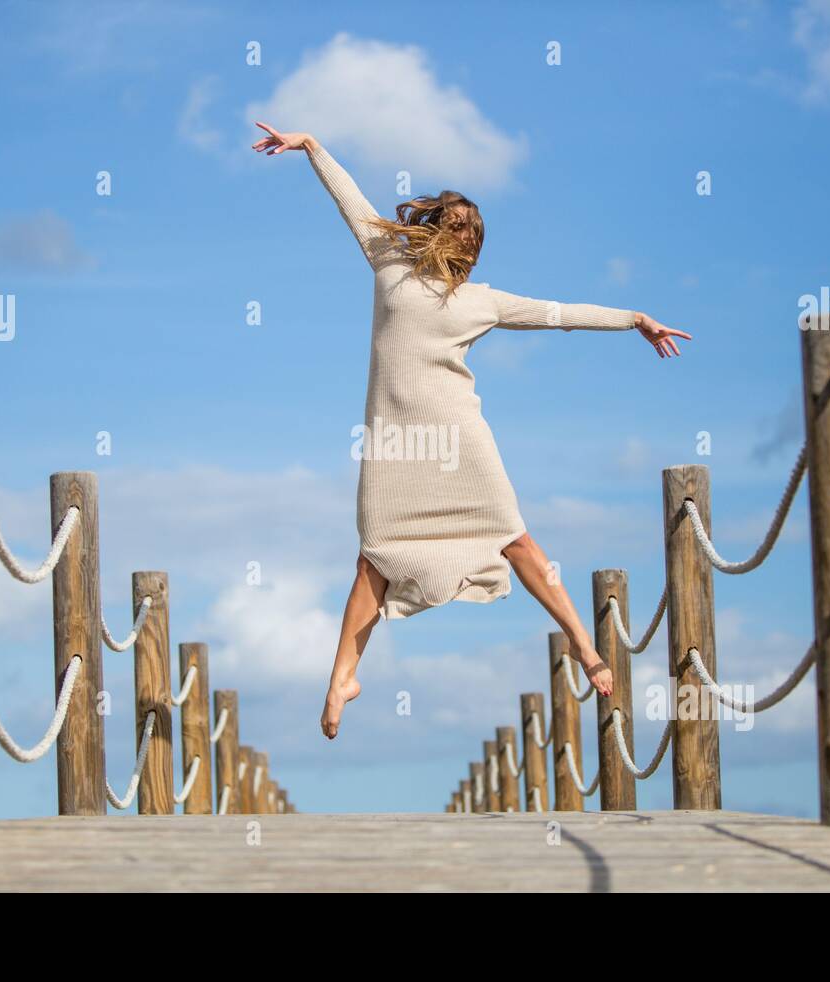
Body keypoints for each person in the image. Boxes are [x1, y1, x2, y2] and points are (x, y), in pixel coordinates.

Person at [251, 122, 692, 739]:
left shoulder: (476, 297)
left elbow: (558, 314)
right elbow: (350, 200)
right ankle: (342, 679)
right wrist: (313, 148)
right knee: (378, 554)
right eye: (458, 225)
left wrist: (632, 319)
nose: (464, 235)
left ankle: (585, 647)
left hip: (458, 442)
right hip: (397, 447)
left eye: (470, 230)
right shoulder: (390, 261)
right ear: (438, 230)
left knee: (514, 541)